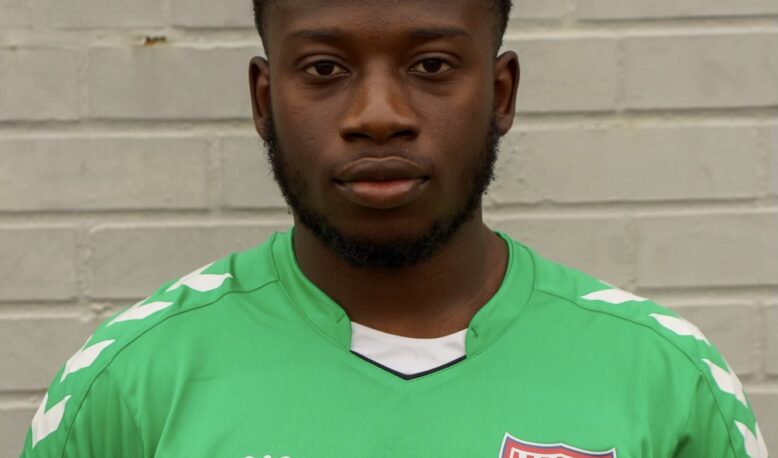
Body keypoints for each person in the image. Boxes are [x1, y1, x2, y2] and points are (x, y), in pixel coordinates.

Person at [20, 1, 768, 457]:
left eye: (432, 65)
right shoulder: (128, 384)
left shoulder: (666, 377)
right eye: (324, 69)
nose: (378, 115)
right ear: (264, 100)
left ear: (500, 93)